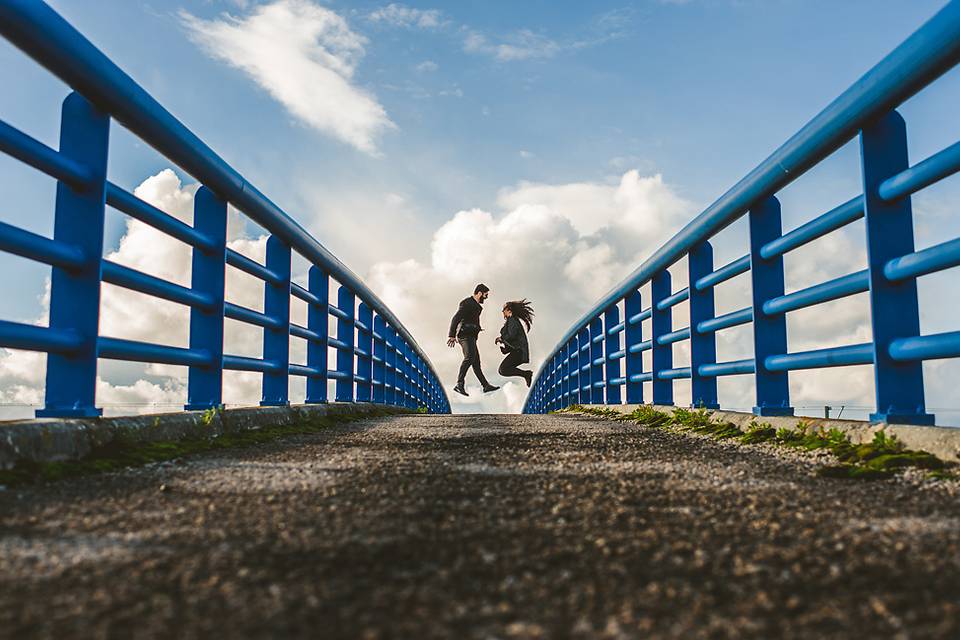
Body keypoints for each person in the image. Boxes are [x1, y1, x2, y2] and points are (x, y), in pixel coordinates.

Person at [447, 284, 500, 396]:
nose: (486, 298)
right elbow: (456, 318)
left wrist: (477, 328)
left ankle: (485, 386)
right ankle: (459, 384)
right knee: (469, 357)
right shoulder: (466, 303)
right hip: (464, 335)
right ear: (479, 293)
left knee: (476, 363)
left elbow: (471, 319)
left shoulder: (477, 306)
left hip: (471, 336)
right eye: (485, 295)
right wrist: (451, 335)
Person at [495, 299, 534, 388]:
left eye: (503, 310)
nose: (502, 312)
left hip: (519, 352)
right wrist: (505, 348)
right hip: (517, 351)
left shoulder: (512, 320)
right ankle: (526, 374)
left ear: (509, 310)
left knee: (503, 369)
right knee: (502, 370)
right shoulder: (511, 321)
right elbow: (513, 339)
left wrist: (501, 338)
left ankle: (527, 374)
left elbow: (512, 335)